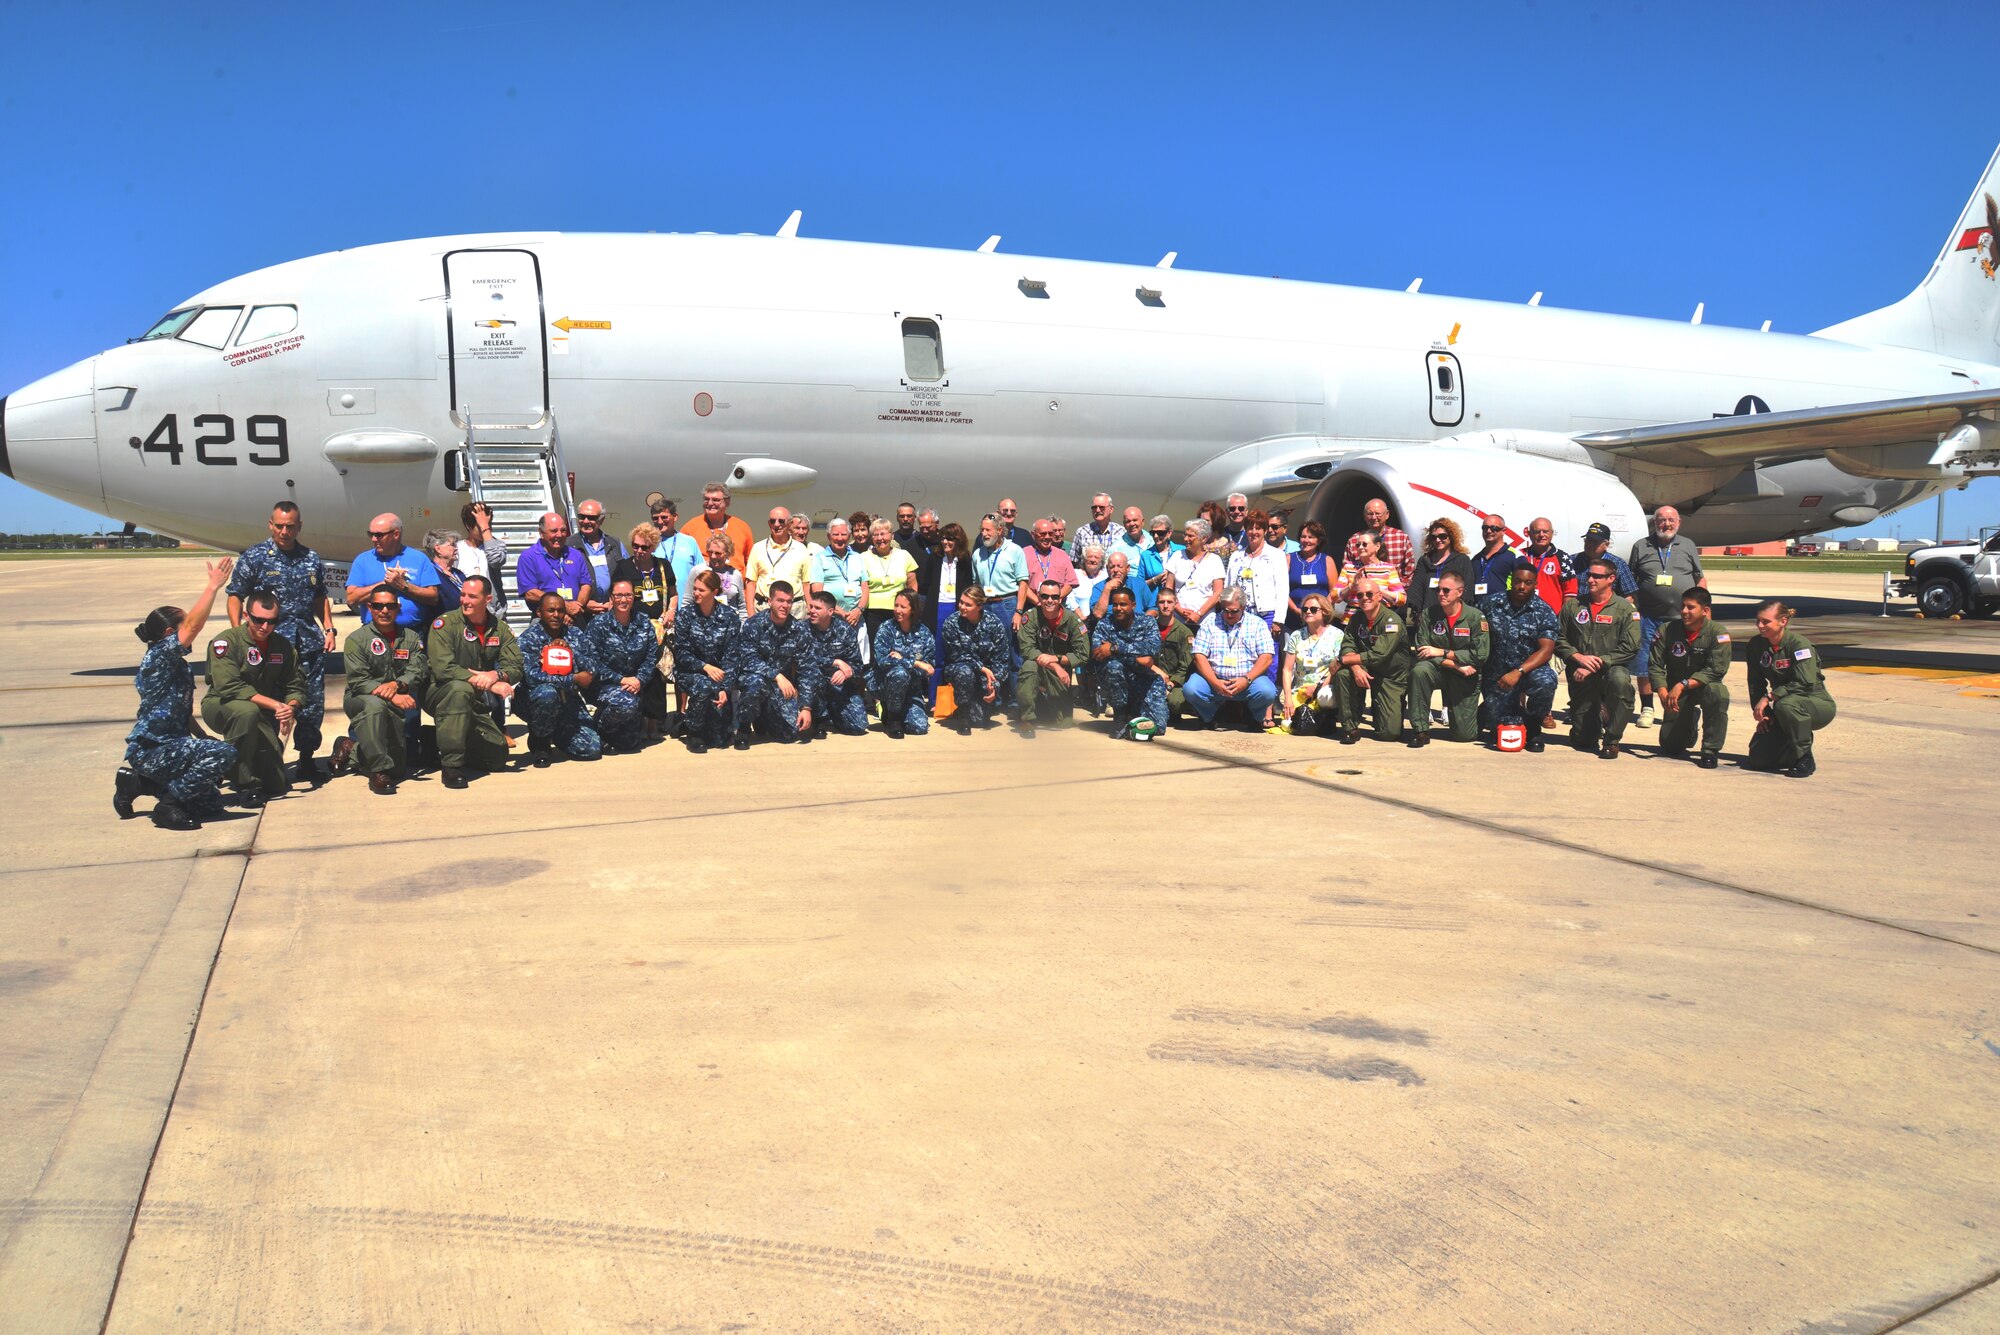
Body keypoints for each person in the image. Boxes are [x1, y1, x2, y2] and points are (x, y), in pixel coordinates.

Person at [119, 558, 237, 830]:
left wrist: (201, 735)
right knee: (223, 754)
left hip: (174, 745)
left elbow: (178, 710)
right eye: (183, 626)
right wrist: (212, 587)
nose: (191, 631)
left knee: (211, 806)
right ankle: (167, 806)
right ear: (171, 633)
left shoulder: (176, 663)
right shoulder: (160, 656)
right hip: (154, 748)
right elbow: (193, 626)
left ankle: (139, 783)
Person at [228, 501, 336, 782]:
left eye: (290, 526)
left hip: (308, 645)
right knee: (270, 705)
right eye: (279, 526)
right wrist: (239, 634)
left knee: (311, 705)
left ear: (299, 526)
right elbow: (235, 595)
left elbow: (320, 596)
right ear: (270, 524)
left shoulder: (311, 558)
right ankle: (267, 758)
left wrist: (329, 628)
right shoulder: (255, 557)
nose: (284, 531)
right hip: (269, 646)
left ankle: (307, 759)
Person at [202, 590, 307, 803]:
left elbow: (295, 684)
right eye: (259, 620)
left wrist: (290, 708)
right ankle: (244, 785)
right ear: (246, 615)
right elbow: (229, 686)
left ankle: (222, 761)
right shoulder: (226, 642)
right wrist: (275, 705)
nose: (265, 627)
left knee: (277, 783)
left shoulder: (282, 646)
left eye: (272, 622)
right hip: (221, 705)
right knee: (245, 711)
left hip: (259, 712)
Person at [425, 576, 521, 787]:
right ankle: (452, 766)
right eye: (463, 595)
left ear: (487, 599)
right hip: (440, 692)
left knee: (496, 757)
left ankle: (434, 740)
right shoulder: (445, 624)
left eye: (472, 596)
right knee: (460, 689)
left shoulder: (500, 628)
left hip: (474, 702)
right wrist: (482, 680)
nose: (465, 601)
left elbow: (516, 666)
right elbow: (443, 669)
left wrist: (496, 675)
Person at [339, 584, 427, 794]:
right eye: (378, 606)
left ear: (398, 608)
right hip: (361, 698)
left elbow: (419, 670)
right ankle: (377, 772)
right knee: (376, 705)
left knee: (397, 768)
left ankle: (350, 747)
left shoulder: (411, 638)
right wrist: (394, 697)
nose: (384, 611)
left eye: (390, 606)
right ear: (370, 607)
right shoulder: (356, 640)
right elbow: (359, 680)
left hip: (398, 696)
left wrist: (397, 685)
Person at [1628, 505, 1708, 729]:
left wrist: (1705, 607)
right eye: (1661, 520)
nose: (1666, 524)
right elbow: (1630, 581)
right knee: (1644, 663)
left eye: (1671, 520)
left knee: (1679, 663)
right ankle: (1647, 708)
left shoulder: (1688, 545)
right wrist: (1631, 609)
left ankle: (1675, 706)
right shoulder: (1641, 546)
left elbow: (1699, 578)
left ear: (1679, 522)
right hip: (1649, 617)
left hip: (1680, 619)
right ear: (1654, 523)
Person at [1558, 557, 1642, 758]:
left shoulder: (1625, 609)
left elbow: (1631, 646)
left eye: (1597, 576)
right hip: (1580, 670)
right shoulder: (1574, 606)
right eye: (1589, 575)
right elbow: (1557, 637)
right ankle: (1595, 716)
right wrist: (1576, 656)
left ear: (1611, 578)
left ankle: (1612, 739)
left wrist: (1598, 662)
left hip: (1611, 668)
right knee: (1583, 741)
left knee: (1620, 682)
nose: (1590, 580)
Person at [1745, 598, 1834, 777]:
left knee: (1787, 705)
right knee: (1758, 761)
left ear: (1783, 621)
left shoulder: (1799, 645)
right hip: (1782, 705)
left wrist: (1770, 698)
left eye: (1765, 621)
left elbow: (1804, 682)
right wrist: (1764, 714)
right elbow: (1755, 682)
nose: (1760, 625)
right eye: (1758, 621)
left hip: (1814, 702)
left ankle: (1804, 757)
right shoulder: (1756, 645)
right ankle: (1792, 742)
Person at [1481, 558, 1561, 751]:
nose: (1521, 586)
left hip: (1528, 672)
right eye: (1517, 581)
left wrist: (1518, 671)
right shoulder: (1491, 604)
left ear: (1535, 584)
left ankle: (1533, 726)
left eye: (1527, 582)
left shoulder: (1543, 610)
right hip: (1497, 675)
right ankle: (1488, 712)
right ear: (1512, 580)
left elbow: (1546, 650)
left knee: (1547, 680)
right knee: (1498, 727)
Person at [1648, 586, 1731, 768]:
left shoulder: (1718, 633)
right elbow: (1655, 664)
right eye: (1683, 606)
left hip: (1703, 686)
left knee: (1718, 693)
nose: (1684, 611)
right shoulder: (1667, 630)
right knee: (1671, 747)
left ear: (1705, 611)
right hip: (1677, 692)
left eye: (1691, 607)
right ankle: (1689, 722)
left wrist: (1682, 685)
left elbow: (1715, 670)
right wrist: (1662, 690)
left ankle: (1710, 749)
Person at [518, 592, 603, 765]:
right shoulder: (528, 638)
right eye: (550, 610)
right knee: (547, 693)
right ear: (539, 613)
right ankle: (541, 743)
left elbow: (594, 666)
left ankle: (551, 730)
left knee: (592, 748)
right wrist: (573, 679)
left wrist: (570, 652)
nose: (556, 615)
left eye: (560, 610)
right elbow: (531, 676)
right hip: (535, 699)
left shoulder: (574, 634)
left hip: (568, 700)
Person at [1408, 572, 1490, 746]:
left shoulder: (1476, 617)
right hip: (1440, 670)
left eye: (1446, 590)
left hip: (1465, 676)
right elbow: (1423, 652)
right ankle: (1421, 730)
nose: (1440, 594)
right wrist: (1455, 664)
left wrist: (1442, 652)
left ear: (1460, 592)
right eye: (1438, 590)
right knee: (1419, 671)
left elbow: (1480, 655)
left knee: (1464, 736)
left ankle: (1486, 710)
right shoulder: (1429, 614)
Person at [729, 580, 815, 747]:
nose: (785, 606)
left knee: (790, 734)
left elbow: (807, 669)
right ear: (770, 602)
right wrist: (776, 675)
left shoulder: (799, 630)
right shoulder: (754, 625)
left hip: (780, 687)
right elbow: (748, 659)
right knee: (756, 683)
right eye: (780, 601)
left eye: (789, 601)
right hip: (756, 678)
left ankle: (762, 717)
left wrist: (806, 707)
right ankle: (744, 728)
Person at [609, 523, 676, 737]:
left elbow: (673, 593)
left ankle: (654, 724)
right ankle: (634, 721)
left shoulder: (663, 566)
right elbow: (616, 596)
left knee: (656, 674)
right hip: (633, 627)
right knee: (636, 672)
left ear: (653, 547)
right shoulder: (624, 567)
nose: (638, 551)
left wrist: (671, 611)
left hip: (657, 628)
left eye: (644, 548)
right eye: (635, 546)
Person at [584, 578, 661, 753]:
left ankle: (611, 733)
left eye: (627, 595)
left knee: (630, 745)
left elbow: (651, 656)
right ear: (611, 598)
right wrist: (621, 679)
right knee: (626, 704)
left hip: (634, 686)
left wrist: (638, 679)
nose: (623, 600)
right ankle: (599, 729)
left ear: (633, 597)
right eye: (619, 595)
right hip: (604, 686)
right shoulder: (598, 624)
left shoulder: (643, 622)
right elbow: (591, 661)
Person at [1186, 587, 1279, 730]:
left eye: (1234, 611)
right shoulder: (1210, 622)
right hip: (1215, 679)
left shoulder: (1258, 624)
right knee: (1191, 689)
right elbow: (1199, 656)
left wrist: (1246, 680)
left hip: (1247, 680)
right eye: (1225, 610)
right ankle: (1211, 715)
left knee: (1267, 692)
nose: (1229, 615)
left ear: (1243, 607)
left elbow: (1266, 658)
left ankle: (1254, 716)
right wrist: (1214, 681)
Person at [1332, 579, 1408, 743]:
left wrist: (1345, 659)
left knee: (1388, 734)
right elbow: (1347, 645)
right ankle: (1350, 728)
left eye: (1369, 594)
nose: (1364, 598)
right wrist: (1355, 667)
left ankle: (1389, 705)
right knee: (1343, 674)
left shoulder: (1392, 621)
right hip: (1365, 670)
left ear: (1379, 596)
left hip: (1389, 676)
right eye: (1360, 595)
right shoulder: (1357, 618)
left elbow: (1378, 655)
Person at [673, 569, 740, 753]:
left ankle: (709, 725)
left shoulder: (729, 617)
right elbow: (681, 653)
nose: (696, 593)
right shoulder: (685, 615)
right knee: (703, 686)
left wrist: (725, 688)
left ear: (715, 592)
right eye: (695, 589)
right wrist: (705, 667)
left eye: (701, 590)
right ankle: (693, 732)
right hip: (690, 672)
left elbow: (732, 656)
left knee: (720, 741)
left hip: (719, 676)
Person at [1015, 579, 1088, 737]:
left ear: (1060, 599)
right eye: (1045, 596)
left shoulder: (1073, 621)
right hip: (1038, 665)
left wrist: (1056, 659)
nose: (1050, 600)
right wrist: (1054, 665)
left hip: (1060, 671)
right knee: (1028, 667)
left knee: (1063, 723)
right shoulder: (1030, 617)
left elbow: (1082, 654)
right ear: (1039, 598)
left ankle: (1041, 703)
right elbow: (1027, 649)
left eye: (1054, 597)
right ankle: (1026, 719)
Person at [344, 512, 443, 628]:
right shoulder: (363, 560)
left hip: (412, 633)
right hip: (375, 634)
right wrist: (386, 583)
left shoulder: (419, 558)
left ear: (396, 534)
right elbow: (351, 598)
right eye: (370, 534)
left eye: (379, 535)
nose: (374, 539)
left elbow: (433, 598)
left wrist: (404, 586)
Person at [1091, 586, 1167, 737]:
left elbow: (1153, 648)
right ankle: (1120, 715)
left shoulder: (1148, 622)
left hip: (1142, 677)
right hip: (1114, 680)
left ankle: (1132, 715)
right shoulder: (1104, 625)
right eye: (1115, 604)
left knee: (1157, 728)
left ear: (1133, 605)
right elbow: (1098, 653)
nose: (1118, 608)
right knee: (1114, 666)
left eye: (1123, 604)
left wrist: (1115, 649)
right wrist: (1137, 654)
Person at [800, 590, 869, 739]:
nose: (812, 611)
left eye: (817, 608)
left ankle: (833, 713)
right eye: (811, 606)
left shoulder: (845, 630)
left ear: (831, 611)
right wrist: (835, 662)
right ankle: (820, 721)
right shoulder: (802, 629)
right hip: (812, 685)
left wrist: (847, 673)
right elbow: (802, 659)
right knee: (813, 675)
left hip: (839, 686)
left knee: (858, 726)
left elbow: (857, 664)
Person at [939, 587, 1009, 733]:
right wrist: (982, 668)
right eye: (961, 602)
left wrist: (994, 686)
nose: (962, 607)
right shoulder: (952, 622)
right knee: (964, 671)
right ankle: (963, 715)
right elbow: (956, 655)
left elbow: (1001, 659)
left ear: (979, 606)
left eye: (968, 604)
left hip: (986, 677)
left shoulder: (993, 623)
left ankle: (971, 708)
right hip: (959, 670)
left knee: (979, 721)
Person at [871, 589, 936, 738]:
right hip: (886, 686)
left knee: (919, 727)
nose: (897, 610)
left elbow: (929, 669)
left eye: (903, 607)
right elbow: (882, 661)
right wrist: (915, 663)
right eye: (896, 605)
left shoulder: (924, 633)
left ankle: (899, 711)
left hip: (912, 689)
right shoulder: (886, 628)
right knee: (899, 673)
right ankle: (892, 719)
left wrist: (901, 659)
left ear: (913, 610)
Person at [1225, 508, 1289, 660]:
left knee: (1267, 656)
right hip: (1241, 615)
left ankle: (1267, 684)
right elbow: (1229, 587)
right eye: (1250, 528)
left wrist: (1278, 621)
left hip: (1266, 615)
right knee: (1242, 654)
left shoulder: (1276, 555)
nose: (1254, 532)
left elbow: (1282, 589)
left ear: (1265, 530)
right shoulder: (1236, 556)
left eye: (1258, 528)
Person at [1279, 592, 1344, 735]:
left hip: (1324, 687)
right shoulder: (1296, 635)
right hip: (1300, 689)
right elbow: (1287, 670)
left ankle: (1328, 717)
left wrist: (1317, 687)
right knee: (1287, 723)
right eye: (1305, 609)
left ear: (1325, 611)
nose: (1308, 612)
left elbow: (1336, 667)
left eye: (1313, 609)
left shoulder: (1337, 635)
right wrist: (1288, 698)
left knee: (1325, 696)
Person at [516, 512, 594, 623]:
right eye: (554, 531)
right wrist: (565, 607)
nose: (559, 535)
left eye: (563, 530)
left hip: (575, 619)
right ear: (541, 533)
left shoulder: (575, 555)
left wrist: (576, 609)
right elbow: (530, 593)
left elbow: (586, 585)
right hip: (544, 621)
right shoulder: (529, 557)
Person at [810, 517, 870, 647]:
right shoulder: (819, 558)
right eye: (835, 534)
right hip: (831, 618)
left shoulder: (857, 557)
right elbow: (817, 591)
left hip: (857, 618)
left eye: (843, 534)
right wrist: (841, 612)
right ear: (828, 536)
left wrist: (858, 611)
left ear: (849, 536)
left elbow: (865, 587)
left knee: (859, 658)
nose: (840, 538)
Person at [1407, 518, 1475, 630]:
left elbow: (1467, 589)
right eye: (1434, 537)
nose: (1438, 540)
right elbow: (1416, 588)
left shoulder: (1462, 560)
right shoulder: (1425, 560)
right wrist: (1415, 609)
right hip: (1428, 616)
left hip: (1452, 617)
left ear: (1451, 537)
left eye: (1442, 536)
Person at [862, 517, 921, 644]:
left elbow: (912, 584)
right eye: (875, 535)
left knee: (898, 645)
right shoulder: (863, 558)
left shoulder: (904, 555)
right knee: (876, 647)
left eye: (883, 533)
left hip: (899, 611)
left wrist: (910, 606)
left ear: (892, 536)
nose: (879, 538)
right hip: (872, 612)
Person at [744, 505, 812, 615]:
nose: (776, 525)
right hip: (763, 608)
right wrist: (750, 612)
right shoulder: (758, 548)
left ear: (789, 524)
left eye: (781, 521)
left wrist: (809, 609)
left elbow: (806, 584)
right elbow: (751, 583)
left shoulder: (801, 549)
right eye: (772, 521)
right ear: (768, 523)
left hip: (794, 609)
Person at [569, 499, 627, 618]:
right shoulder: (568, 545)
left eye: (591, 518)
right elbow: (561, 582)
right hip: (581, 615)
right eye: (582, 516)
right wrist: (582, 603)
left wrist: (614, 601)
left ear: (601, 520)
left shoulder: (615, 544)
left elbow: (627, 576)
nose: (586, 521)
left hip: (612, 613)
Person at [1164, 519, 1225, 626]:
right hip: (1178, 619)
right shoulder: (1177, 556)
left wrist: (1199, 613)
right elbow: (1168, 588)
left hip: (1206, 621)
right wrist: (1179, 609)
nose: (1186, 539)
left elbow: (1218, 593)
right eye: (1185, 535)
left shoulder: (1215, 560)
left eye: (1191, 536)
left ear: (1204, 538)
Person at [680, 481, 755, 568]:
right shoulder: (690, 528)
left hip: (735, 579)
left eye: (715, 500)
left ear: (727, 502)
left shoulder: (742, 527)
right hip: (706, 579)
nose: (710, 503)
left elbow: (751, 562)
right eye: (706, 499)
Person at [1150, 587, 1196, 724]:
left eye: (1169, 602)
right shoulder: (1149, 628)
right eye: (1161, 602)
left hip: (1175, 681)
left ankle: (1177, 711)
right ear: (1156, 604)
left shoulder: (1184, 632)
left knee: (1174, 702)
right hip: (1153, 676)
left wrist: (1171, 684)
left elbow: (1185, 665)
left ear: (1176, 604)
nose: (1165, 606)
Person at [1342, 498, 1416, 584]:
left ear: (1387, 514)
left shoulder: (1401, 537)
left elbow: (1409, 571)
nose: (1374, 517)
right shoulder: (1354, 540)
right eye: (1370, 514)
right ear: (1364, 516)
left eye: (1377, 514)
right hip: (1363, 594)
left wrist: (1396, 590)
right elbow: (1346, 571)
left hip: (1393, 593)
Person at [648, 496, 704, 601]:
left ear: (675, 517)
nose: (659, 522)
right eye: (655, 518)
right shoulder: (648, 543)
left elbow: (702, 573)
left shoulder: (689, 541)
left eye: (664, 517)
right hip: (658, 606)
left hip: (687, 606)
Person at [1518, 517, 1576, 614]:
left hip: (1551, 618)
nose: (1541, 535)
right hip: (1522, 616)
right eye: (1537, 531)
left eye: (1545, 531)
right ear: (1529, 534)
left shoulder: (1562, 557)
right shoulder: (1519, 556)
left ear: (1552, 533)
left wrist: (1563, 618)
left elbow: (1569, 593)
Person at [1022, 518, 1078, 616]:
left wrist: (1055, 599)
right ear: (1033, 534)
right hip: (1032, 607)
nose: (1047, 537)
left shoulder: (1062, 554)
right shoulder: (1024, 554)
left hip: (1057, 608)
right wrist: (1037, 601)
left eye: (1050, 534)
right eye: (1043, 534)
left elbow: (1070, 583)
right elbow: (1021, 584)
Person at [1338, 531, 1407, 609]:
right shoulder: (1348, 567)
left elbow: (1402, 599)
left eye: (1364, 544)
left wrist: (1377, 589)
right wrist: (1351, 587)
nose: (1360, 547)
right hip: (1352, 618)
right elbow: (1335, 596)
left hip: (1380, 618)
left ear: (1377, 546)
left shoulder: (1388, 569)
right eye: (1358, 545)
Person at [1286, 521, 1335, 629]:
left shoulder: (1327, 560)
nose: (1306, 540)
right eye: (1303, 537)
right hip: (1293, 618)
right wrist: (1296, 609)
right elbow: (1281, 589)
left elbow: (1334, 590)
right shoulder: (1289, 559)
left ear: (1318, 541)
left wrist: (1321, 609)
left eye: (1311, 537)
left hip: (1320, 619)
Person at [459, 500, 504, 612]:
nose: (487, 529)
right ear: (468, 526)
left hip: (493, 613)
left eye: (489, 525)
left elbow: (496, 560)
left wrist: (484, 525)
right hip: (466, 612)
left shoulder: (496, 545)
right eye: (480, 526)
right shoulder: (457, 550)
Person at [1468, 515, 1518, 608]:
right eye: (1485, 528)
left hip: (1504, 614)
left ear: (1504, 531)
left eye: (1494, 528)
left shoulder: (1515, 556)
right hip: (1478, 614)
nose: (1488, 531)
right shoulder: (1476, 559)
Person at [694, 531, 748, 612]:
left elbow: (741, 606)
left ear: (727, 553)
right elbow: (688, 600)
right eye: (710, 552)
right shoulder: (698, 571)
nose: (713, 556)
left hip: (731, 621)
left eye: (718, 553)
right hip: (703, 621)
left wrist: (742, 623)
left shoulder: (735, 574)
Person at [1097, 548, 1154, 617]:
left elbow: (1153, 608)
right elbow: (1098, 614)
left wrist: (1141, 622)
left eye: (1119, 566)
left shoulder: (1139, 584)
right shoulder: (1099, 588)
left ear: (1128, 568)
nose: (1115, 570)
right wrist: (1107, 589)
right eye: (1112, 567)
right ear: (1107, 568)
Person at [424, 528, 469, 613]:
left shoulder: (458, 574)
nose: (456, 548)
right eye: (452, 545)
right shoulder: (430, 573)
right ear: (438, 549)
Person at [1071, 493, 1120, 562]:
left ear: (1111, 509)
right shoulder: (1082, 532)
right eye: (1094, 507)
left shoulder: (1121, 532)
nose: (1097, 510)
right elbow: (1073, 562)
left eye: (1101, 507)